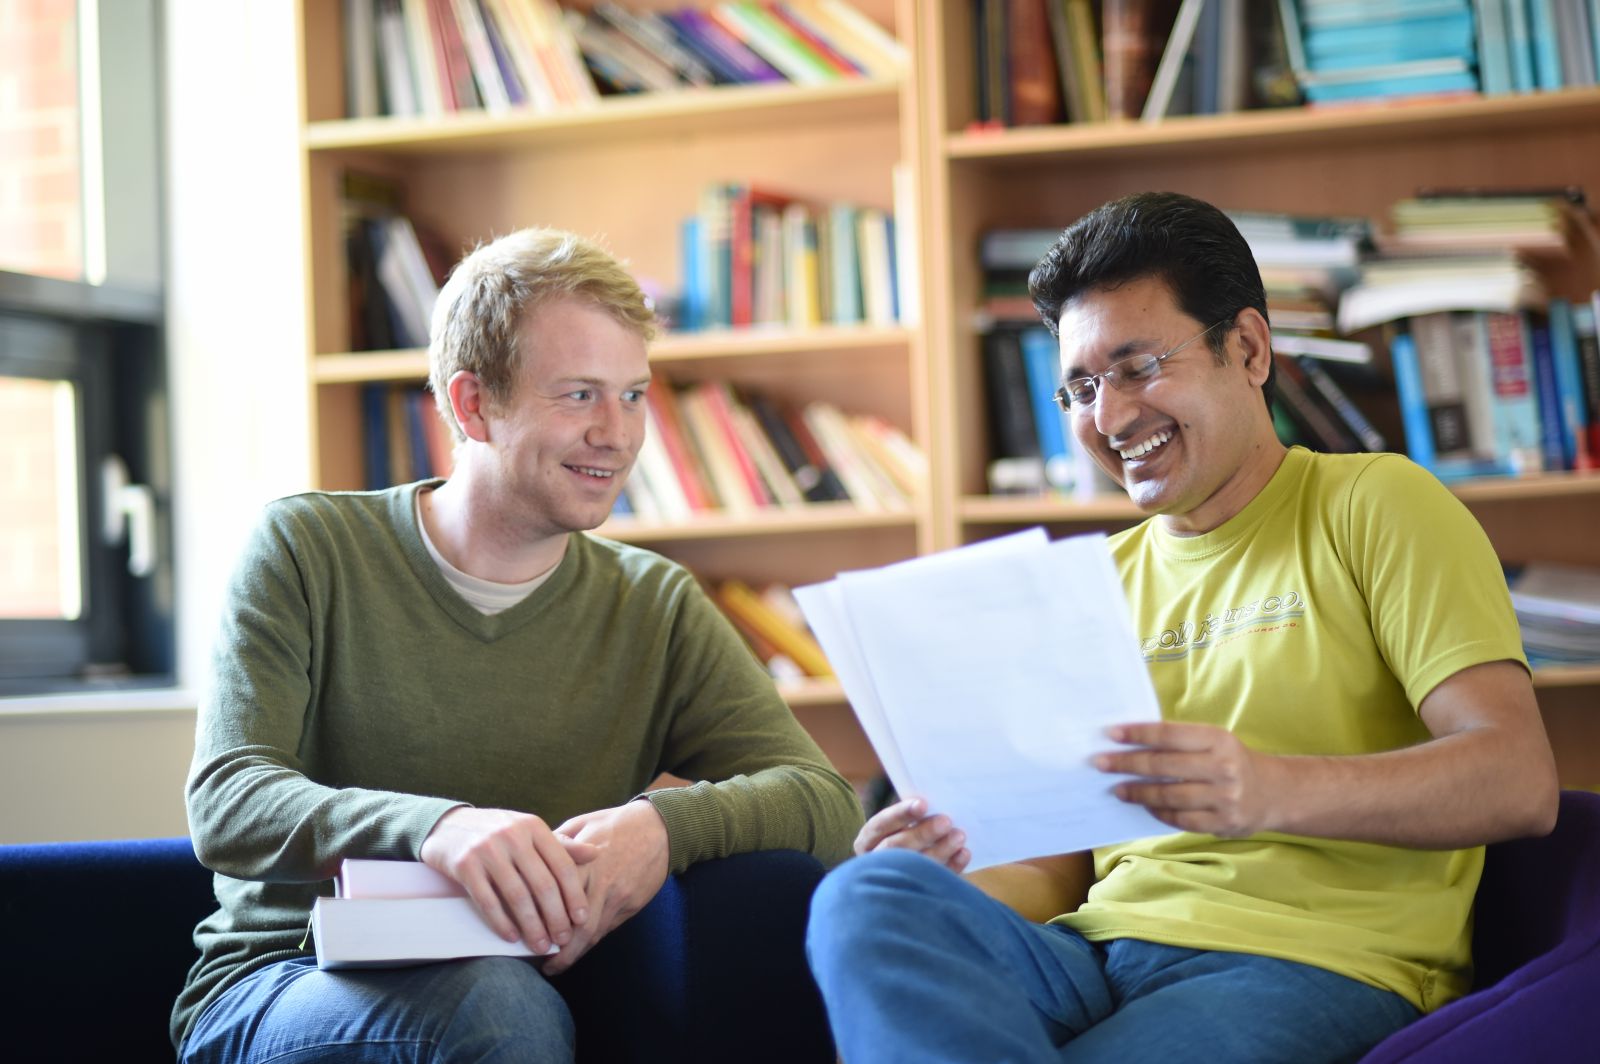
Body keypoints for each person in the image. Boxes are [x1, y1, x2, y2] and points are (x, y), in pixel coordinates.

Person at [805, 191, 1559, 1063]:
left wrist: (1270, 789)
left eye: (1138, 367)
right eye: (1081, 386)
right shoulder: (1094, 582)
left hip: (1310, 962)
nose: (1112, 417)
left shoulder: (1375, 505)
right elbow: (1062, 870)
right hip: (1089, 955)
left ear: (1247, 348)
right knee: (866, 897)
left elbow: (1518, 779)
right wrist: (954, 871)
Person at [173, 227, 863, 1062]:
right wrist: (439, 829)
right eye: (578, 395)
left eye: (634, 394)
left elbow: (822, 802)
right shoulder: (308, 547)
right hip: (289, 980)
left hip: (541, 991)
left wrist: (663, 826)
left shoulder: (653, 602)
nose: (618, 433)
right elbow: (229, 800)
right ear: (473, 405)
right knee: (494, 1008)